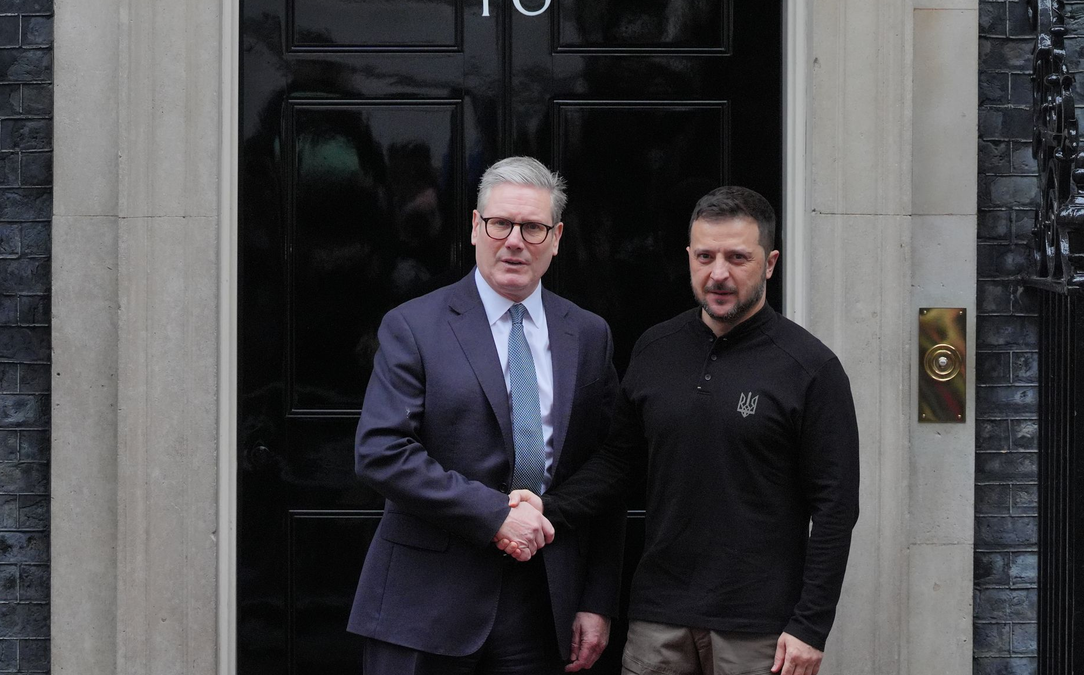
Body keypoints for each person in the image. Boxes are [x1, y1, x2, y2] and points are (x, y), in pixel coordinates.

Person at [503, 186, 860, 675]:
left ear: (770, 263)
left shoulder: (811, 368)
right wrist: (548, 507)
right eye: (705, 256)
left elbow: (836, 509)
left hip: (759, 628)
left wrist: (810, 626)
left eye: (738, 258)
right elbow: (619, 465)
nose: (719, 274)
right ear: (689, 257)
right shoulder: (656, 349)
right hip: (658, 619)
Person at [348, 156, 625, 675]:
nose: (514, 241)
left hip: (542, 607)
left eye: (533, 228)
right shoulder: (414, 326)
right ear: (476, 227)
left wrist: (597, 599)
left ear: (557, 238)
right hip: (424, 605)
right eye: (500, 224)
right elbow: (381, 452)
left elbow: (606, 470)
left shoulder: (589, 335)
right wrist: (495, 515)